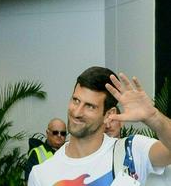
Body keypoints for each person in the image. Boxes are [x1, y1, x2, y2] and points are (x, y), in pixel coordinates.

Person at [28, 66, 171, 185]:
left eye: (89, 106)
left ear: (109, 115)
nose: (77, 112)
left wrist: (154, 117)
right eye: (76, 100)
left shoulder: (131, 151)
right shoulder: (41, 174)